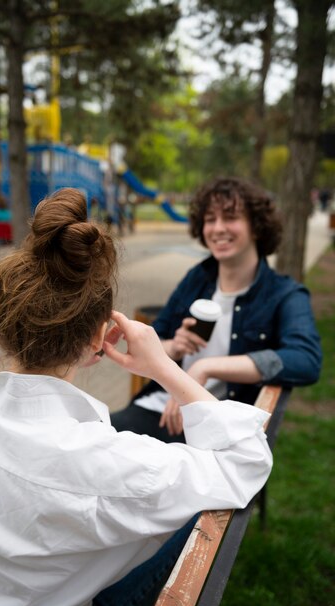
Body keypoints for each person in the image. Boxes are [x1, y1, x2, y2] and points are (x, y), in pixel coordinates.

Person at [0, 188, 272, 606]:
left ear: (1, 320)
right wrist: (163, 367)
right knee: (190, 514)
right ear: (96, 341)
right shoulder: (109, 464)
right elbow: (248, 458)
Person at [112, 176, 322, 443]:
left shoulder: (284, 294)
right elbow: (152, 344)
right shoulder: (197, 278)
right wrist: (174, 346)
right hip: (163, 409)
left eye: (230, 217)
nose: (218, 228)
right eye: (210, 219)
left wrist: (207, 367)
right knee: (97, 438)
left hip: (218, 425)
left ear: (256, 226)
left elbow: (305, 359)